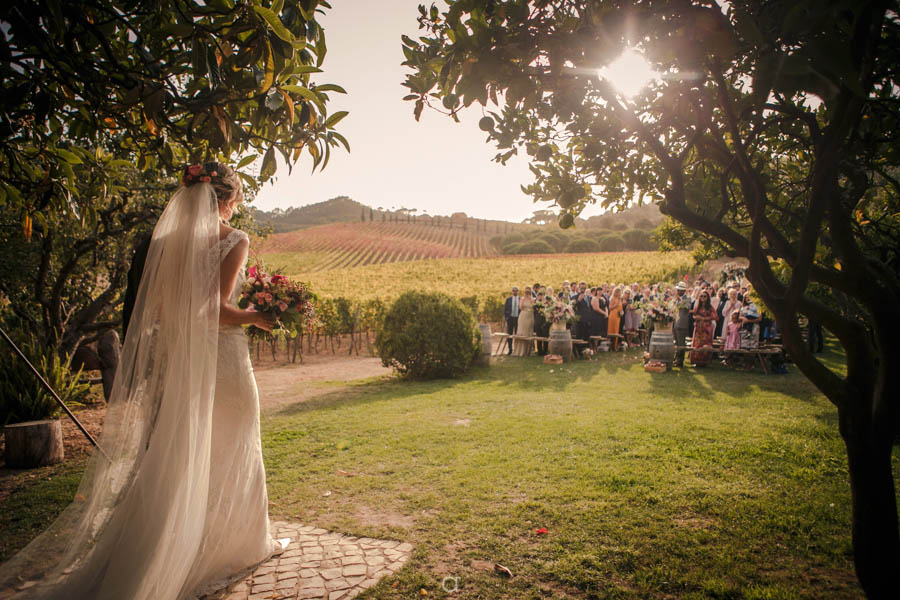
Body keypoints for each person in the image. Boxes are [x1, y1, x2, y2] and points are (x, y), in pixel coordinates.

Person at [0, 162, 286, 599]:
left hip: (178, 361)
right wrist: (257, 317)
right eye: (236, 199)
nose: (236, 207)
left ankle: (176, 541)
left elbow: (166, 308)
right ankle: (234, 545)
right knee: (234, 438)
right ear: (228, 199)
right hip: (221, 359)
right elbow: (214, 311)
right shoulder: (235, 240)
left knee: (184, 450)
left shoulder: (165, 242)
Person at [689, 290, 717, 367]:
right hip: (698, 328)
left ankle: (705, 362)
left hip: (707, 329)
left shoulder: (710, 307)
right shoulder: (697, 306)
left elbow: (715, 317)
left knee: (705, 344)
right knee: (697, 344)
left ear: (708, 297)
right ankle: (696, 362)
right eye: (701, 296)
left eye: (704, 296)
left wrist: (703, 318)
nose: (703, 298)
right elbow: (693, 315)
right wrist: (696, 317)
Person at [673, 281, 691, 368]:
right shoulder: (676, 298)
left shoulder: (687, 298)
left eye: (680, 290)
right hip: (675, 323)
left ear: (683, 291)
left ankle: (680, 361)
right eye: (678, 290)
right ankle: (676, 359)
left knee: (681, 343)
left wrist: (679, 301)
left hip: (682, 324)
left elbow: (687, 307)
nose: (678, 291)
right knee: (677, 343)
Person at [512, 290, 534, 356]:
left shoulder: (532, 299)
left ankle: (527, 351)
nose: (527, 294)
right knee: (522, 332)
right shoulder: (522, 298)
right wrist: (524, 299)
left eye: (528, 293)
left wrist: (530, 299)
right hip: (523, 316)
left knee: (528, 332)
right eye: (526, 293)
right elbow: (520, 307)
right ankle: (520, 351)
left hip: (530, 316)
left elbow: (533, 307)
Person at [503, 286, 521, 355]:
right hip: (510, 319)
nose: (515, 292)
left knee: (517, 334)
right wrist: (507, 318)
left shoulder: (520, 299)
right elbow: (505, 310)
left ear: (518, 291)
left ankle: (516, 349)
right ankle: (510, 349)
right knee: (509, 334)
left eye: (516, 290)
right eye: (514, 290)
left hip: (517, 319)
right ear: (512, 291)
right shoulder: (508, 299)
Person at [607, 286, 624, 351]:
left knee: (616, 330)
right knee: (612, 330)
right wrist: (616, 305)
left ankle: (615, 345)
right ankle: (611, 346)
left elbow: (621, 308)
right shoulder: (612, 298)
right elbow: (610, 308)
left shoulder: (619, 299)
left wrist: (622, 312)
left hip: (618, 316)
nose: (619, 294)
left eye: (619, 292)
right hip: (613, 316)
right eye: (617, 292)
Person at [533, 291, 549, 355]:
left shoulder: (546, 303)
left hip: (545, 322)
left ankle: (545, 350)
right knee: (538, 336)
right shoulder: (535, 303)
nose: (540, 297)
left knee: (545, 336)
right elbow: (535, 309)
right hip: (537, 322)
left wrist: (544, 302)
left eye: (542, 296)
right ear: (537, 296)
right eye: (539, 296)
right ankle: (539, 351)